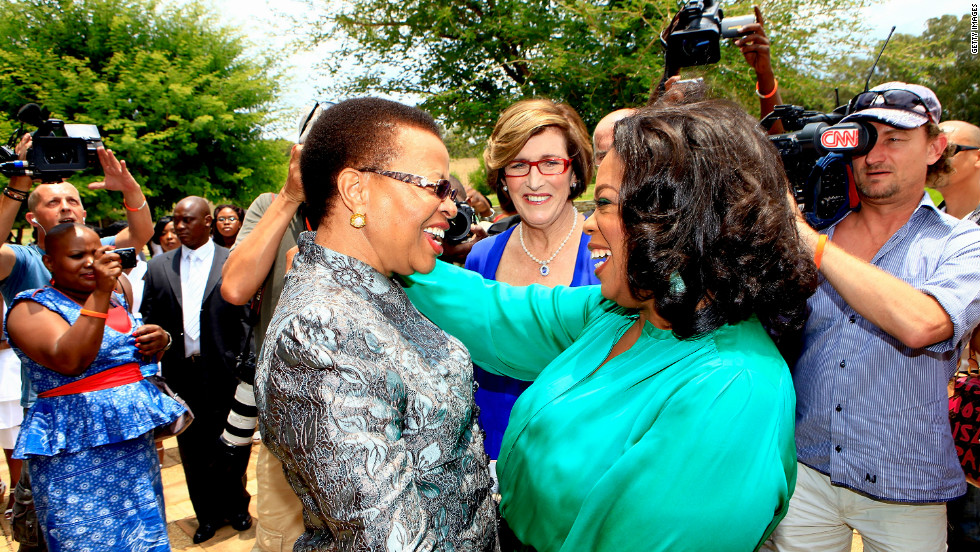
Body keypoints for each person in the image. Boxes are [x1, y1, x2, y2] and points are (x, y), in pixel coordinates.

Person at [401, 97, 816, 551]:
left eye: (605, 204)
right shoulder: (622, 316)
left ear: (680, 219)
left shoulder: (733, 387)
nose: (588, 226)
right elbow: (492, 311)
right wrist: (393, 246)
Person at [255, 97, 498, 551]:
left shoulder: (374, 292)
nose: (451, 207)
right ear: (356, 189)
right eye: (434, 187)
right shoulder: (319, 333)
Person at [765, 83, 980, 551]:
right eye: (863, 139)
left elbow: (923, 323)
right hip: (806, 472)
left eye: (895, 139)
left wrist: (807, 240)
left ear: (935, 146)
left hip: (909, 486)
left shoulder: (962, 244)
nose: (875, 154)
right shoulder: (815, 234)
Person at [0, 134, 153, 551]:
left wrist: (130, 190)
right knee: (56, 522)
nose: (64, 207)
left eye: (71, 200)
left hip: (119, 416)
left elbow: (140, 232)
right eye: (51, 202)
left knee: (133, 525)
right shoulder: (23, 259)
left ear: (85, 211)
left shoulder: (97, 256)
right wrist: (19, 183)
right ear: (34, 220)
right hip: (56, 412)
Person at [5, 222, 184, 551]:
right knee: (85, 538)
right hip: (73, 448)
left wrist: (161, 340)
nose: (91, 262)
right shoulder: (30, 306)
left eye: (97, 253)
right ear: (49, 263)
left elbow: (123, 357)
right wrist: (101, 292)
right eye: (77, 256)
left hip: (131, 444)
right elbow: (71, 360)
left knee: (142, 534)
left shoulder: (117, 300)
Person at [468, 99, 599, 467]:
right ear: (503, 178)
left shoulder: (608, 255)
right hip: (497, 461)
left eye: (550, 162)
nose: (534, 180)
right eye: (518, 164)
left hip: (582, 465)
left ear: (575, 172)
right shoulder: (481, 259)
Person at [140, 196, 251, 544]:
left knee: (232, 445)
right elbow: (150, 317)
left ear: (207, 221)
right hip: (181, 374)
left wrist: (242, 366)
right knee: (192, 449)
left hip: (223, 372)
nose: (179, 227)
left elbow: (245, 319)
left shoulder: (231, 261)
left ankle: (237, 506)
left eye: (188, 220)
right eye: (176, 221)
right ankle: (206, 515)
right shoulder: (159, 268)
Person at [221, 144, 309, 551]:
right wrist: (291, 196)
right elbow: (236, 287)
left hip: (361, 403)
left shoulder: (369, 206)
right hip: (288, 406)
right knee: (281, 535)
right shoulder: (272, 205)